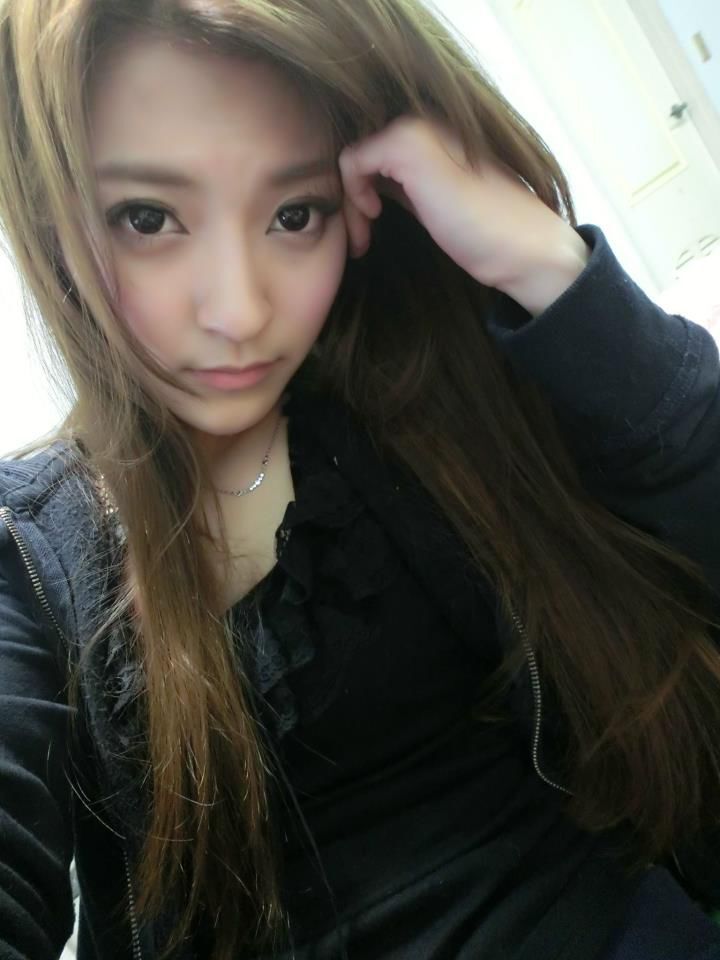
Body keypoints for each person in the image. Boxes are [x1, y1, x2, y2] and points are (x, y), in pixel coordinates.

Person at [0, 1, 719, 958]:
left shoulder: (428, 396)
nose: (239, 312)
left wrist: (553, 270)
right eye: (148, 218)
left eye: (295, 214)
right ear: (52, 215)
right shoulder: (30, 557)